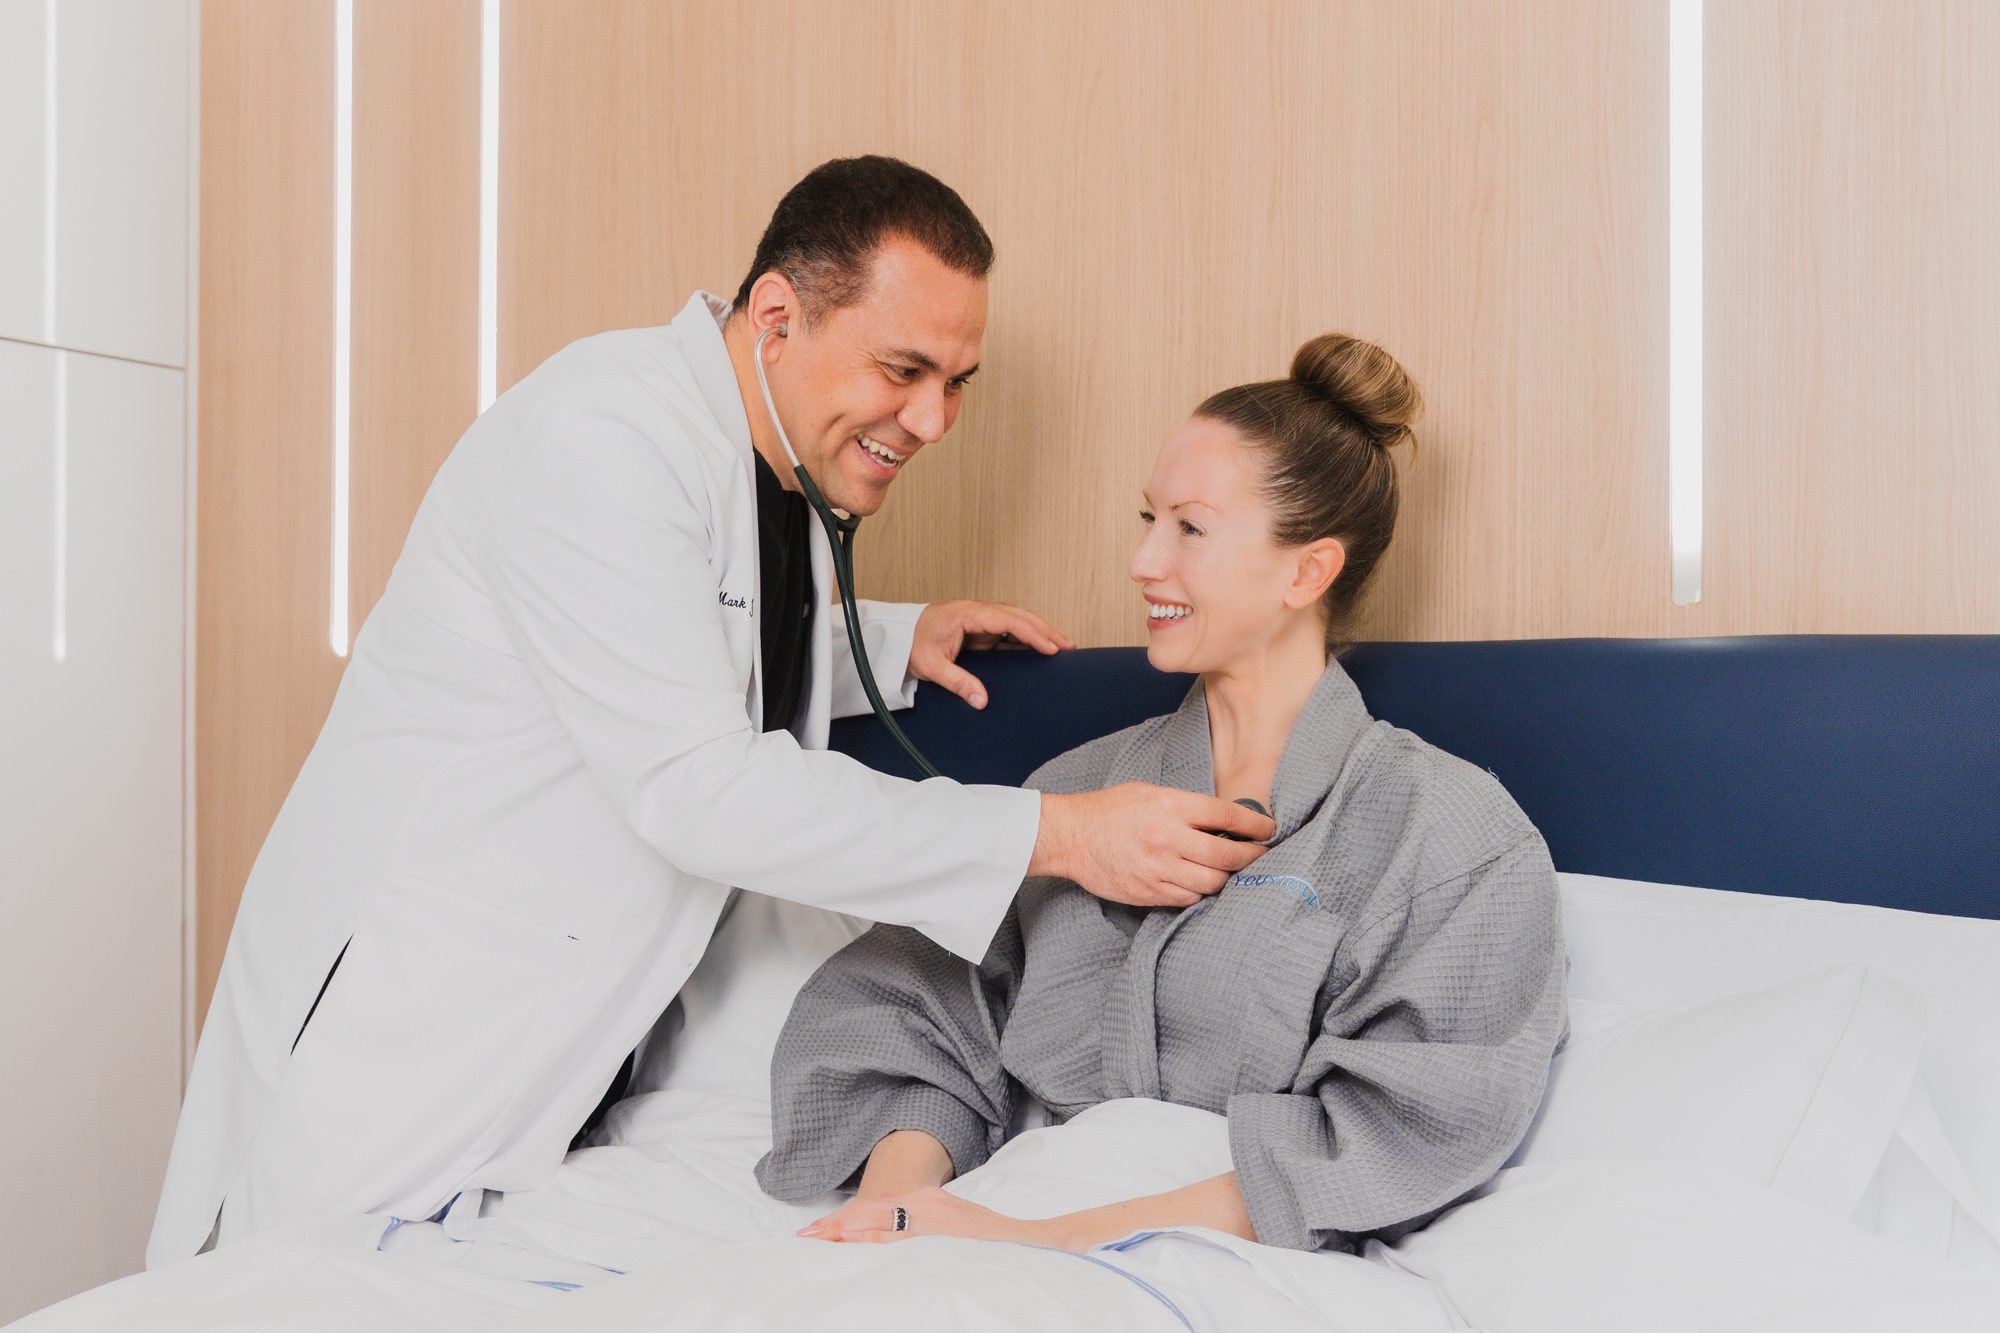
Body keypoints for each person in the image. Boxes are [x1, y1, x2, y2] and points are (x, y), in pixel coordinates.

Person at [149, 156, 1274, 1266]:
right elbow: (700, 783)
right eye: (903, 368)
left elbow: (681, 638)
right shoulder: (605, 438)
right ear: (777, 314)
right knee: (270, 1282)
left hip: (542, 1063)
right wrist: (1064, 834)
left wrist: (887, 638)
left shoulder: (760, 466)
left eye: (956, 381)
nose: (931, 419)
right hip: (397, 1027)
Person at [758, 332, 1569, 1253]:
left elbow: (1394, 1135)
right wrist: (902, 1213)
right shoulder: (1074, 795)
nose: (1145, 561)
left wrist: (1040, 1243)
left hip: (1214, 1264)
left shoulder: (1451, 837)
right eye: (1146, 520)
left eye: (1188, 527)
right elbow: (906, 1008)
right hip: (985, 1237)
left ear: (1308, 570)